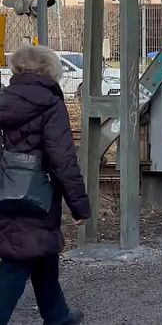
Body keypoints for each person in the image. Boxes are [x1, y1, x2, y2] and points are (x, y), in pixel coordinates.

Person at [0, 46, 90, 325]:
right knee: (20, 257)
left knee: (42, 251)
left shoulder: (4, 100)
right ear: (49, 70)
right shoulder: (50, 104)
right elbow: (63, 161)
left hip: (5, 190)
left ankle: (58, 315)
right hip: (37, 195)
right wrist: (80, 206)